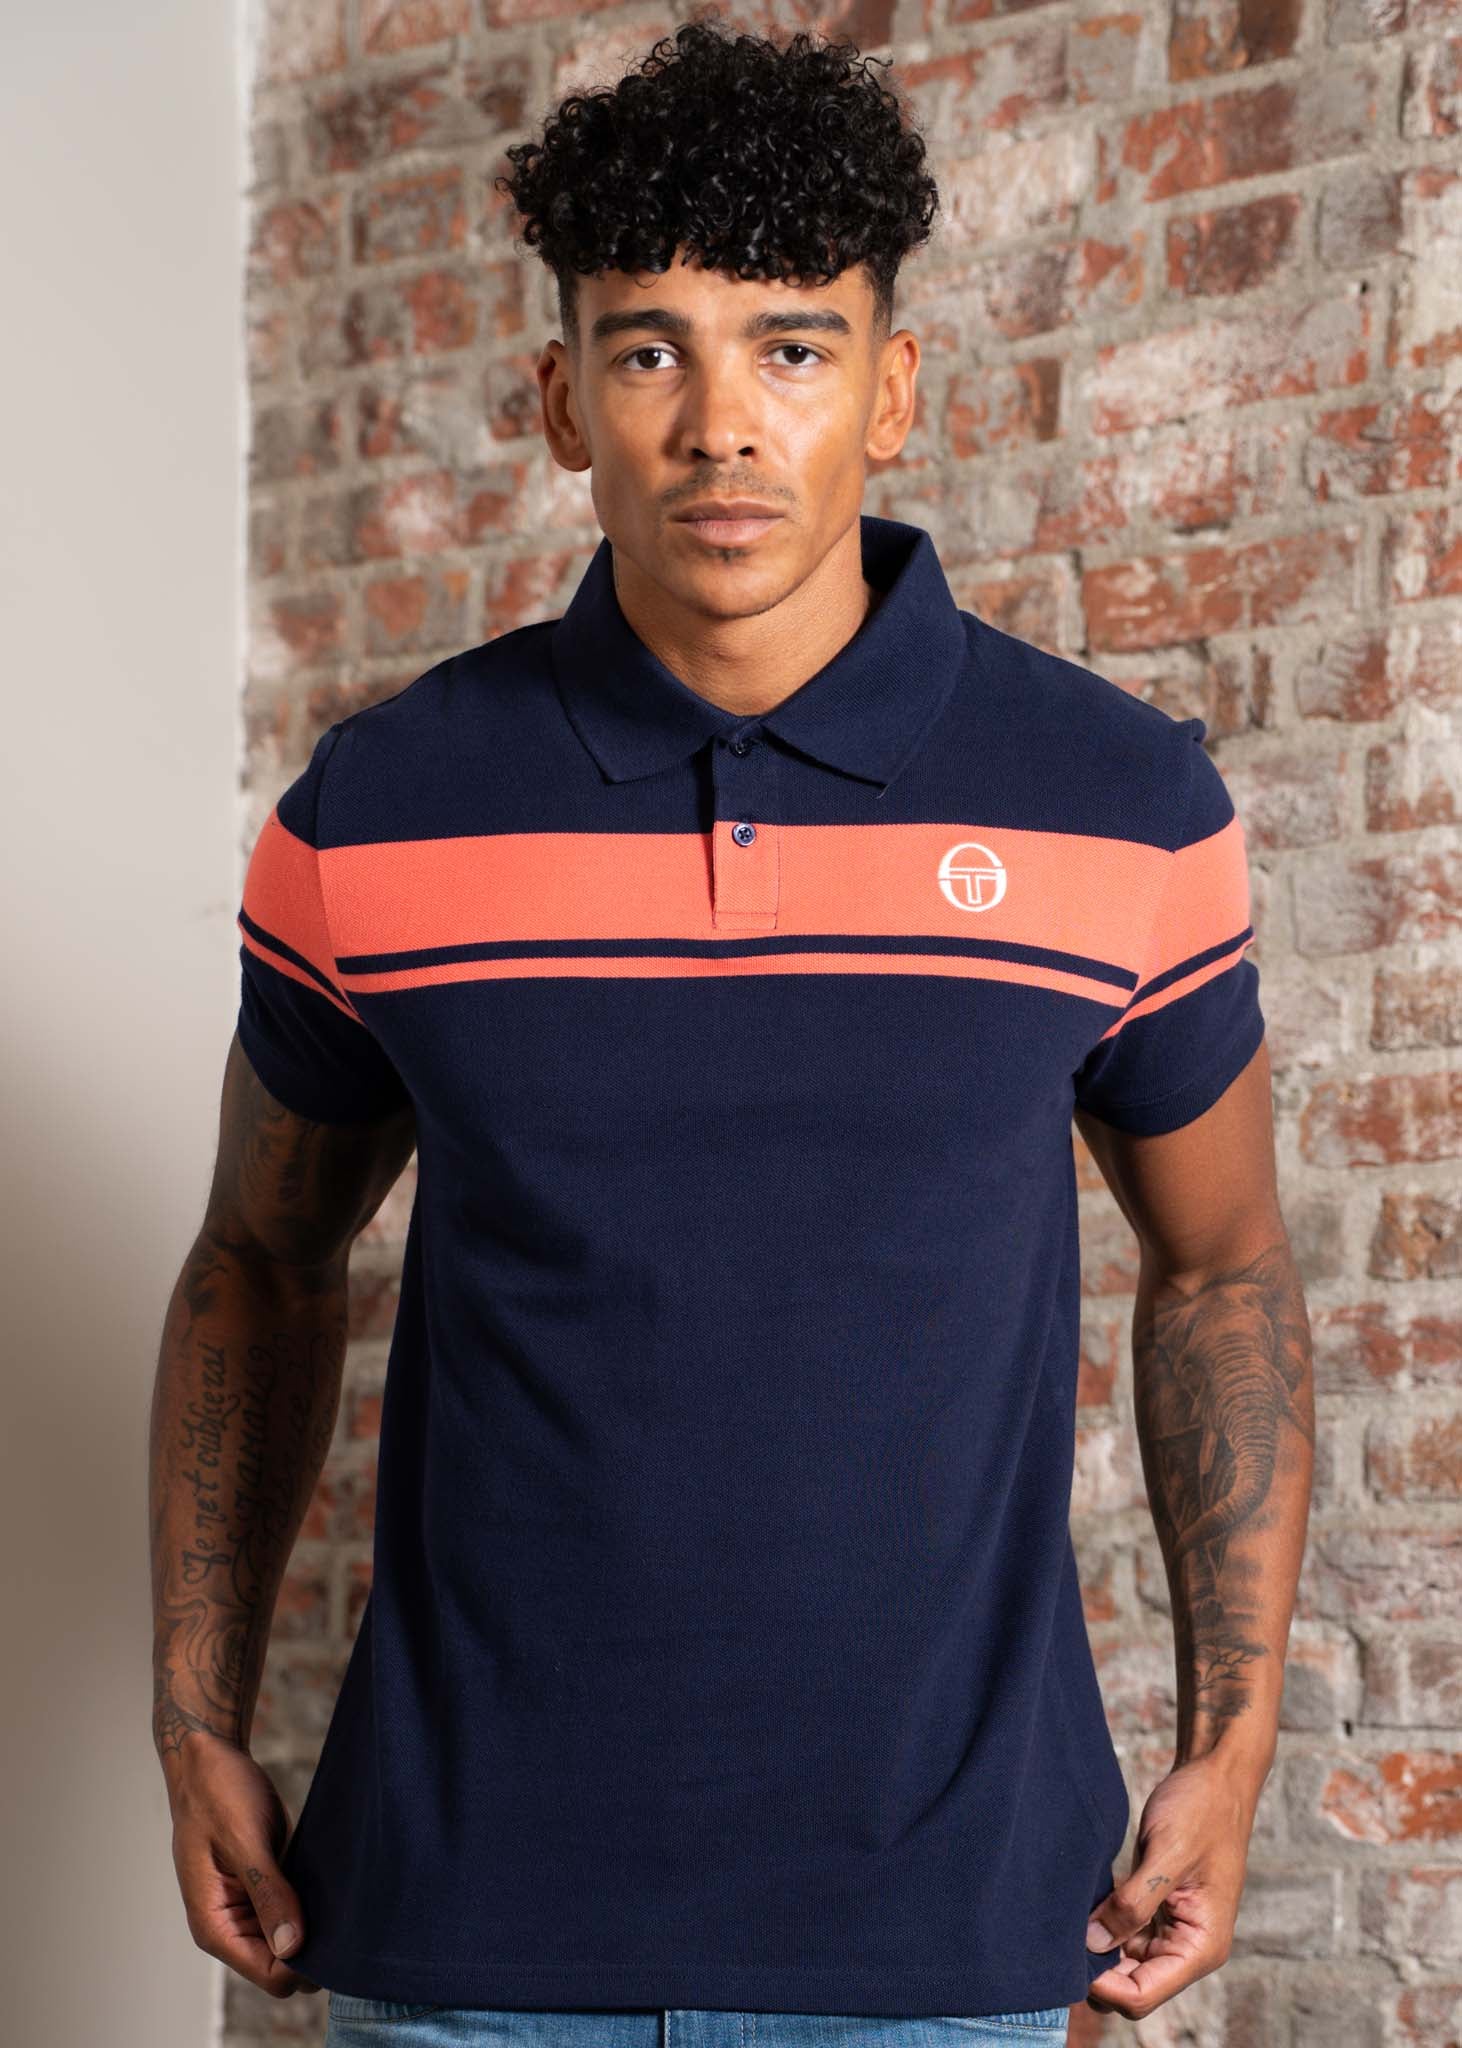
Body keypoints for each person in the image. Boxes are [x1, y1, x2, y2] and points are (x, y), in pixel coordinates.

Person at [149, 16, 1315, 2046]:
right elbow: (258, 1255)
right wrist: (193, 1719)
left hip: (939, 1938)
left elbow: (1220, 1267)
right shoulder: (379, 811)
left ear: (893, 390)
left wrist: (1232, 1744)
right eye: (645, 351)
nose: (719, 427)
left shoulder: (1118, 804)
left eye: (790, 347)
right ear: (557, 401)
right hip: (467, 1933)